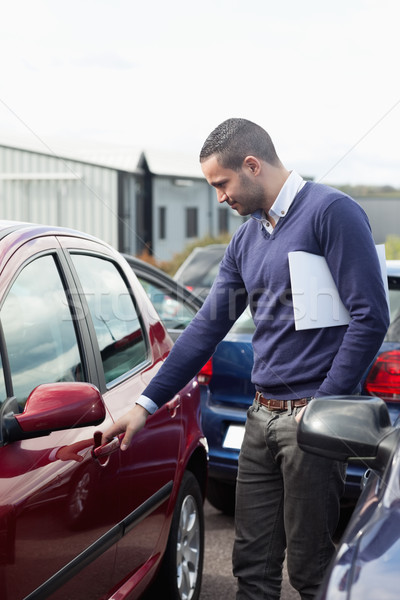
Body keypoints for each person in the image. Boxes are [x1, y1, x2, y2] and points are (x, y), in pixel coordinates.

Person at [102, 118, 389, 599]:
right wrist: (145, 405)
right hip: (260, 417)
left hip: (312, 424)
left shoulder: (331, 212)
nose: (219, 197)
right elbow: (206, 328)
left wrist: (322, 407)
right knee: (251, 570)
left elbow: (370, 316)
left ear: (252, 165)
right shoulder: (247, 238)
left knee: (310, 570)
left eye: (222, 183)